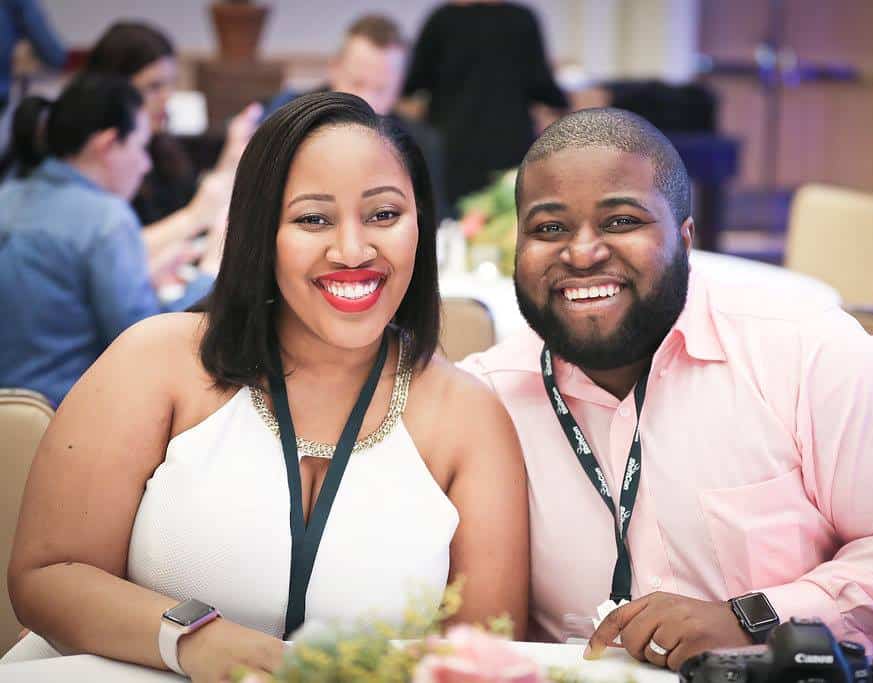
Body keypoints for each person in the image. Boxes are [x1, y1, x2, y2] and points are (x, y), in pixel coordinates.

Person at [5, 92, 529, 681]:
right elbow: (48, 575)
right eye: (313, 218)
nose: (353, 250)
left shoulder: (469, 415)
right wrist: (192, 638)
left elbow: (489, 653)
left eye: (383, 214)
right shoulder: (156, 361)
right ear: (261, 230)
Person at [459, 108, 873, 670]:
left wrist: (751, 618)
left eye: (620, 222)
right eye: (549, 228)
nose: (582, 252)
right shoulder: (486, 400)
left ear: (686, 240)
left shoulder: (806, 352)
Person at [0, 73, 218, 407]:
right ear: (107, 144)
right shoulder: (106, 218)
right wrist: (209, 274)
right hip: (63, 416)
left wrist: (143, 280)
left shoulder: (7, 196)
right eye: (140, 147)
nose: (145, 165)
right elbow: (144, 345)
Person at [86, 21, 260, 279]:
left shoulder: (163, 146)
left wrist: (232, 160)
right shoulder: (97, 154)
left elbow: (197, 210)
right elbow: (106, 252)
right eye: (153, 87)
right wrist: (193, 217)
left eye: (171, 84)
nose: (167, 97)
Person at [266, 14, 448, 218]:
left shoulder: (421, 143)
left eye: (381, 89)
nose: (365, 102)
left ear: (399, 86)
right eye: (357, 84)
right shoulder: (288, 120)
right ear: (334, 68)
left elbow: (433, 223)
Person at [402, 1, 566, 207]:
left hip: (452, 149)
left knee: (453, 224)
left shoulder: (441, 20)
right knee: (507, 219)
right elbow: (543, 88)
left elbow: (413, 83)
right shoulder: (522, 20)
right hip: (509, 147)